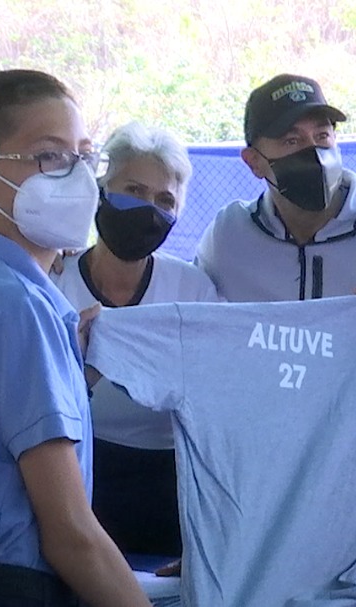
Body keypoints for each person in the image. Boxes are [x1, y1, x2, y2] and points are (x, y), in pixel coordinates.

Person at [194, 73, 356, 573]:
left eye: (322, 136)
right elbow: (202, 334)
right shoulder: (228, 235)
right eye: (290, 141)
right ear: (253, 161)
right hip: (266, 492)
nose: (312, 152)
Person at [0, 69, 151, 607]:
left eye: (84, 156)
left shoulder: (21, 295)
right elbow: (69, 535)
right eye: (50, 157)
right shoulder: (10, 303)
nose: (79, 179)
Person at [51, 121, 218, 557]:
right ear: (100, 189)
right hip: (77, 465)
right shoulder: (53, 280)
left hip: (172, 475)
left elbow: (213, 405)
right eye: (134, 190)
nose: (148, 208)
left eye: (165, 200)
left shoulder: (193, 289)